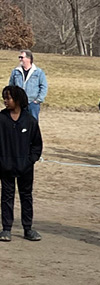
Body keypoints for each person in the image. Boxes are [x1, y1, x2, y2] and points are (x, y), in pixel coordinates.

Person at [0, 86, 43, 242]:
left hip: (25, 167)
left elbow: (37, 144)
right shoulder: (1, 119)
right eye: (4, 97)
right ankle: (6, 229)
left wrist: (30, 160)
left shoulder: (29, 120)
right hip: (5, 167)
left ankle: (28, 228)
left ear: (17, 99)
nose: (5, 101)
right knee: (6, 196)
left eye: (8, 98)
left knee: (26, 197)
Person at [8, 50, 47, 120]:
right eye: (19, 57)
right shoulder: (15, 71)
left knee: (32, 124)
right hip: (19, 103)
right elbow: (11, 86)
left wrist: (38, 100)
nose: (20, 59)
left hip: (32, 104)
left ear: (29, 59)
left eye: (21, 57)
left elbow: (44, 87)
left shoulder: (38, 72)